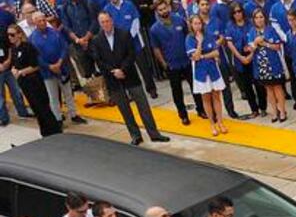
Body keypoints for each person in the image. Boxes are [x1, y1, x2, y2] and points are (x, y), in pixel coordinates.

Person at [91, 12, 169, 145]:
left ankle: (154, 134)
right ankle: (135, 135)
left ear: (112, 20)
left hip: (130, 75)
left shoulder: (124, 34)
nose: (106, 24)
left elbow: (131, 54)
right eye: (103, 22)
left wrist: (122, 69)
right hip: (113, 80)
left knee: (143, 106)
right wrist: (114, 71)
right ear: (100, 24)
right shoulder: (97, 40)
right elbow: (99, 61)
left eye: (107, 21)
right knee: (124, 109)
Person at [30, 13, 85, 126]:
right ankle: (58, 118)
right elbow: (36, 57)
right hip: (47, 72)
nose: (42, 22)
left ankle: (73, 114)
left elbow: (64, 47)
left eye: (43, 20)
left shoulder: (55, 32)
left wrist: (60, 62)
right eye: (39, 21)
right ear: (35, 23)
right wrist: (49, 66)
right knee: (53, 96)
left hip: (62, 68)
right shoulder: (32, 38)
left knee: (68, 93)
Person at [7, 22, 60, 136]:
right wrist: (14, 70)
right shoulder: (14, 49)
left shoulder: (27, 47)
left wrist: (21, 71)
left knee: (43, 108)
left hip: (34, 81)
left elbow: (35, 65)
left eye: (12, 34)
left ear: (19, 34)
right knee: (35, 108)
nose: (10, 37)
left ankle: (54, 131)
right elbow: (14, 64)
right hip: (24, 83)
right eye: (8, 35)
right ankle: (45, 132)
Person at [186, 14, 228, 136]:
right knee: (206, 98)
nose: (198, 26)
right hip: (200, 72)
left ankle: (220, 122)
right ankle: (212, 124)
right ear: (191, 25)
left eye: (199, 23)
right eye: (195, 24)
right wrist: (199, 43)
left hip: (213, 70)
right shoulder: (189, 39)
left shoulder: (209, 36)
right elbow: (195, 56)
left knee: (216, 96)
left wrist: (204, 56)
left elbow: (216, 52)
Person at [245, 7, 286, 122]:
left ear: (265, 18)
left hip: (273, 63)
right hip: (261, 65)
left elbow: (277, 46)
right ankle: (274, 112)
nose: (259, 20)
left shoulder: (271, 30)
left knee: (277, 87)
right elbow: (250, 48)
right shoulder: (252, 32)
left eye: (261, 17)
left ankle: (282, 111)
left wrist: (265, 43)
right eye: (256, 18)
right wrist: (255, 43)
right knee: (268, 89)